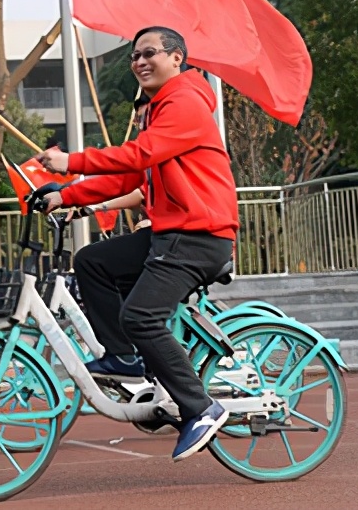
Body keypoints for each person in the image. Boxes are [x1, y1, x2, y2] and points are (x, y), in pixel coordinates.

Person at [34, 26, 237, 462]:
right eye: (134, 56)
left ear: (177, 57)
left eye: (149, 53)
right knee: (93, 262)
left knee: (141, 316)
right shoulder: (158, 107)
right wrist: (63, 194)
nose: (139, 62)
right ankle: (124, 358)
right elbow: (131, 176)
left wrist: (72, 161)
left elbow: (139, 155)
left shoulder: (184, 101)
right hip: (172, 232)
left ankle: (200, 407)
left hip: (197, 235)